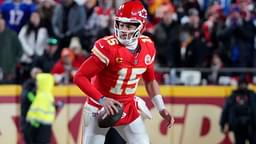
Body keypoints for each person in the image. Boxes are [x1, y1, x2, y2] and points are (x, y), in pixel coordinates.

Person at [74, 1, 175, 144]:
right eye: (121, 24)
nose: (123, 30)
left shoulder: (148, 46)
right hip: (99, 107)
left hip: (127, 106)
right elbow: (80, 77)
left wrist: (161, 107)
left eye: (128, 26)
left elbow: (150, 81)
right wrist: (102, 99)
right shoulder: (108, 48)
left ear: (141, 27)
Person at [220, 77, 256, 144]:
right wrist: (223, 124)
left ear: (247, 85)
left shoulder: (252, 95)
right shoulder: (233, 96)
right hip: (238, 126)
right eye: (241, 84)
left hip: (251, 125)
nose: (243, 86)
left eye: (244, 84)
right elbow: (226, 111)